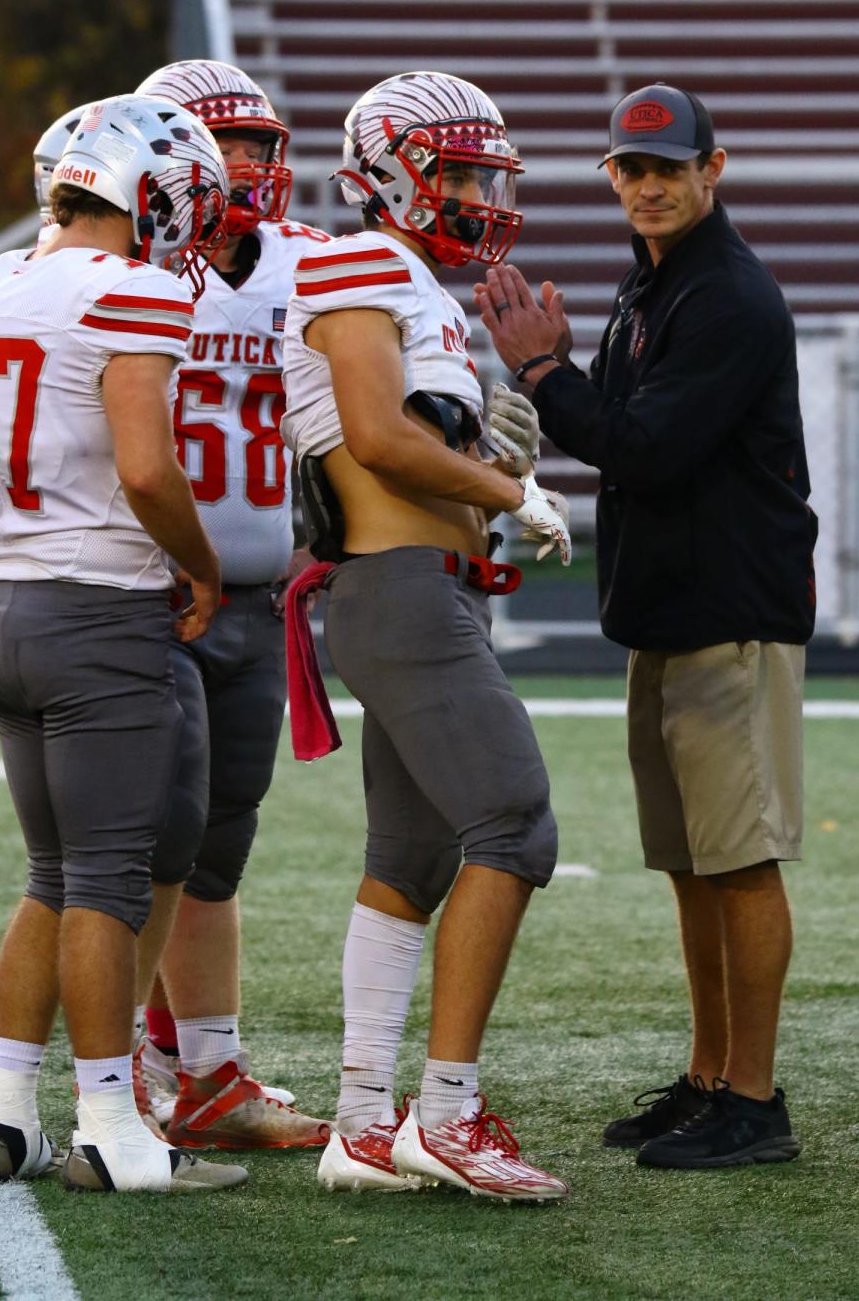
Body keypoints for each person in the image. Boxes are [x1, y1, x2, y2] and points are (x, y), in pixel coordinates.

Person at [475, 82, 818, 1170]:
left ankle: (754, 1103)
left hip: (730, 617)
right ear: (612, 176)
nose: (651, 184)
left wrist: (541, 372)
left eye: (671, 166)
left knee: (742, 860)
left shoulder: (728, 297)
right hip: (673, 615)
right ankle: (713, 1074)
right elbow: (631, 437)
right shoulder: (656, 284)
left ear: (715, 170)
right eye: (633, 167)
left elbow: (650, 448)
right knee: (692, 862)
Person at [0, 93, 247, 1194]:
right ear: (148, 191)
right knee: (108, 887)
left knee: (52, 872)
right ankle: (114, 1130)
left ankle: (3, 1114)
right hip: (99, 617)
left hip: (3, 609)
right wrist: (201, 564)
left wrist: (23, 534)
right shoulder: (130, 291)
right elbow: (144, 468)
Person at [281, 70, 571, 1202]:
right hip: (400, 589)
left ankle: (361, 1122)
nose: (472, 193)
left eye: (479, 173)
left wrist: (497, 472)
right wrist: (510, 500)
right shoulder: (359, 261)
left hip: (424, 585)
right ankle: (445, 1113)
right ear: (391, 172)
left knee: (413, 858)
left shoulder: (407, 280)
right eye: (452, 171)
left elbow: (415, 450)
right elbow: (375, 441)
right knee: (515, 823)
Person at [120, 58, 333, 1150]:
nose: (249, 165)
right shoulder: (127, 263)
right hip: (149, 595)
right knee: (139, 839)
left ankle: (200, 1068)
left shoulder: (303, 266)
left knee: (218, 842)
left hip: (257, 592)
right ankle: (119, 1078)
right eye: (227, 143)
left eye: (261, 146)